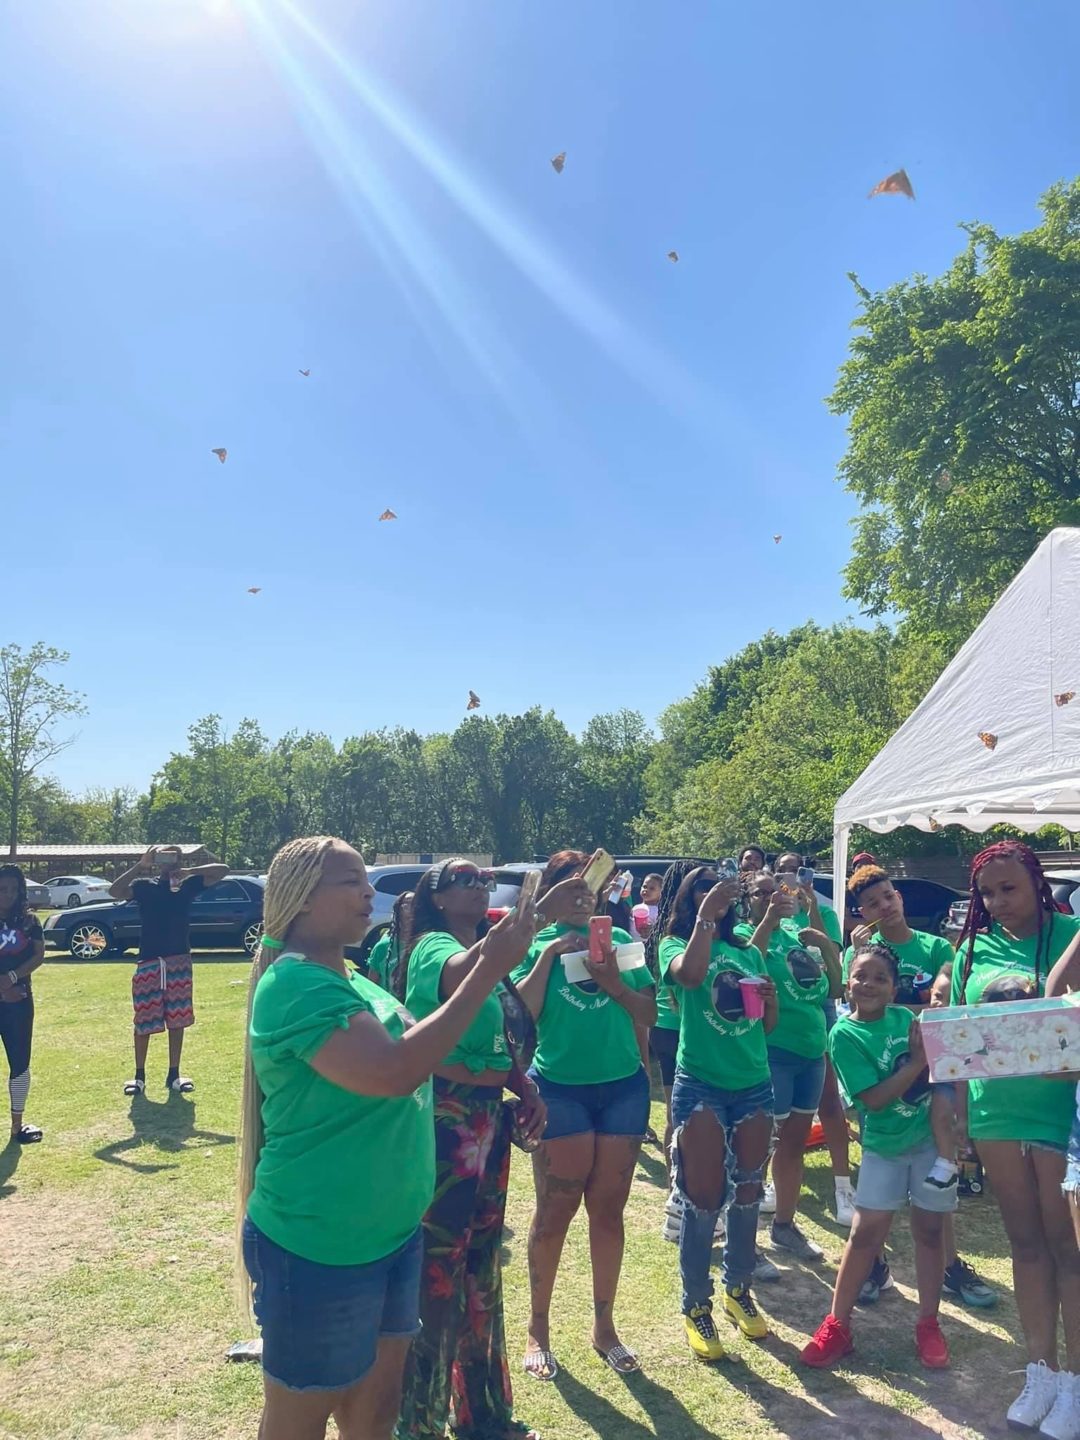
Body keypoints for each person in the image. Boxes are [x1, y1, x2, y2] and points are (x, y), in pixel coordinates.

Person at [238, 836, 537, 1440]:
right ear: (300, 899)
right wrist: (488, 970)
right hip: (319, 1243)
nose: (369, 893)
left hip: (393, 1236)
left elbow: (421, 1051)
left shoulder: (350, 978)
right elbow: (395, 1072)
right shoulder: (297, 985)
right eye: (351, 882)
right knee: (299, 1422)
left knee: (375, 1416)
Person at [395, 859, 591, 1440]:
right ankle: (421, 1423)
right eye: (462, 879)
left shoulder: (488, 947)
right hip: (446, 1126)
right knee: (439, 1273)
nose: (478, 887)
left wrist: (524, 1086)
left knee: (481, 1269)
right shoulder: (434, 946)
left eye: (484, 880)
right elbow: (461, 980)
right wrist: (540, 917)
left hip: (487, 1125)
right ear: (433, 897)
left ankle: (482, 1414)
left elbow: (501, 1034)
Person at [950, 841, 1080, 1437]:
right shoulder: (971, 950)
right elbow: (954, 1039)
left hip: (1060, 1116)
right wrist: (954, 1121)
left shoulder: (1070, 936)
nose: (998, 901)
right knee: (1024, 1248)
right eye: (988, 892)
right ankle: (1041, 1371)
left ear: (1036, 883)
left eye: (1010, 888)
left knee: (1067, 1251)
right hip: (994, 1115)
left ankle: (1075, 1384)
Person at [514, 851, 657, 1381]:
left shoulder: (623, 944)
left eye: (588, 886)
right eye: (568, 887)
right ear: (550, 892)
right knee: (555, 1211)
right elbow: (522, 1015)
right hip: (559, 1090)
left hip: (622, 1089)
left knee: (608, 1211)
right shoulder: (530, 947)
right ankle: (538, 1326)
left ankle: (604, 1326)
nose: (581, 895)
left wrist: (613, 979)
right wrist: (549, 953)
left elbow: (650, 1013)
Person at [844, 864, 997, 1310]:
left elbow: (947, 1001)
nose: (885, 906)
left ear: (899, 897)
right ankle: (874, 1264)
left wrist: (908, 1008)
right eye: (873, 903)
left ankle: (951, 1267)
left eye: (889, 895)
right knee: (878, 1186)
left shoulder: (933, 946)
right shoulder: (863, 953)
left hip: (932, 1073)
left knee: (935, 1182)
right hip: (880, 1076)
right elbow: (853, 1000)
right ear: (862, 912)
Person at [800, 943, 953, 1371]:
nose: (868, 984)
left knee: (929, 1233)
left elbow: (942, 1071)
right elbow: (875, 1099)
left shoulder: (907, 1019)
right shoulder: (844, 1034)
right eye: (860, 975)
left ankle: (928, 1323)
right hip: (883, 1148)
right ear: (847, 981)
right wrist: (917, 1062)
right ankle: (837, 1325)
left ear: (893, 988)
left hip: (927, 1145)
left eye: (879, 978)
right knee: (865, 1236)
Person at [659, 865, 777, 1359]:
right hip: (701, 1086)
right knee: (703, 1198)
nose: (714, 894)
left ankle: (737, 1289)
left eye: (718, 887)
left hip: (753, 1084)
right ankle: (696, 1305)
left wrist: (768, 1002)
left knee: (748, 1189)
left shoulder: (748, 949)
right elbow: (688, 976)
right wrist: (705, 918)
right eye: (702, 888)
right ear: (689, 899)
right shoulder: (673, 945)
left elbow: (764, 1027)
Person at [737, 871, 842, 1264]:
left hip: (812, 1051)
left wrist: (827, 949)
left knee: (794, 1142)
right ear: (747, 900)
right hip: (772, 1051)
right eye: (760, 894)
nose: (769, 898)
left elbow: (833, 989)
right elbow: (745, 962)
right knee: (759, 1146)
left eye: (775, 892)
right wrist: (767, 921)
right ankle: (745, 1237)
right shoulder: (745, 936)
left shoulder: (800, 936)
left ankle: (784, 1225)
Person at [772, 851, 856, 1226]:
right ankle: (773, 1184)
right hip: (786, 1015)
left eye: (798, 871)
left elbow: (833, 957)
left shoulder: (824, 911)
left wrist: (813, 907)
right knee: (778, 1112)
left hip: (820, 1007)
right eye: (782, 872)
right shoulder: (774, 919)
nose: (790, 878)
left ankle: (843, 1186)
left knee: (829, 1103)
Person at [109, 845, 228, 1094]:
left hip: (179, 959)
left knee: (178, 1018)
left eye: (173, 858)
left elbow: (222, 870)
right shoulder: (144, 886)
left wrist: (187, 869)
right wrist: (140, 865)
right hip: (149, 960)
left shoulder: (188, 884)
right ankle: (139, 1077)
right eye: (163, 858)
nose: (168, 863)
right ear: (156, 860)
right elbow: (115, 891)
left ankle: (174, 1074)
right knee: (144, 1018)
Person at [0, 864, 45, 1144]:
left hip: (19, 1003)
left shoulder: (30, 921)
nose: (8, 896)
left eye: (14, 891)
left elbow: (38, 955)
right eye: (2, 890)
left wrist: (14, 976)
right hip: (8, 996)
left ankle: (17, 1127)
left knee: (20, 1064)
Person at [367, 892, 413, 992]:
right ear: (398, 911)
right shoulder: (383, 947)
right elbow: (371, 986)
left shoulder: (425, 945)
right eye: (407, 904)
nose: (412, 909)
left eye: (416, 904)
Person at [632, 873, 663, 939]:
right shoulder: (636, 907)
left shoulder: (658, 911)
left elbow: (661, 929)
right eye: (644, 886)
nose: (646, 890)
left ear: (661, 893)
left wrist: (653, 929)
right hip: (631, 943)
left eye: (652, 889)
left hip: (645, 944)